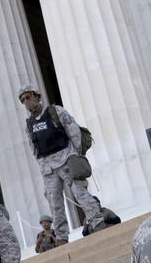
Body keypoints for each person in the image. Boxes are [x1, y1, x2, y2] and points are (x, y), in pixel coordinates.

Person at [18, 85, 108, 238]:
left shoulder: (56, 112)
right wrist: (42, 165)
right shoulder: (29, 125)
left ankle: (98, 223)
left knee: (80, 193)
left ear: (36, 96)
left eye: (28, 97)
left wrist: (76, 156)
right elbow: (33, 148)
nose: (26, 102)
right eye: (23, 100)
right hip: (48, 168)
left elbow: (74, 132)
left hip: (66, 158)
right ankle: (61, 237)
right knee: (55, 203)